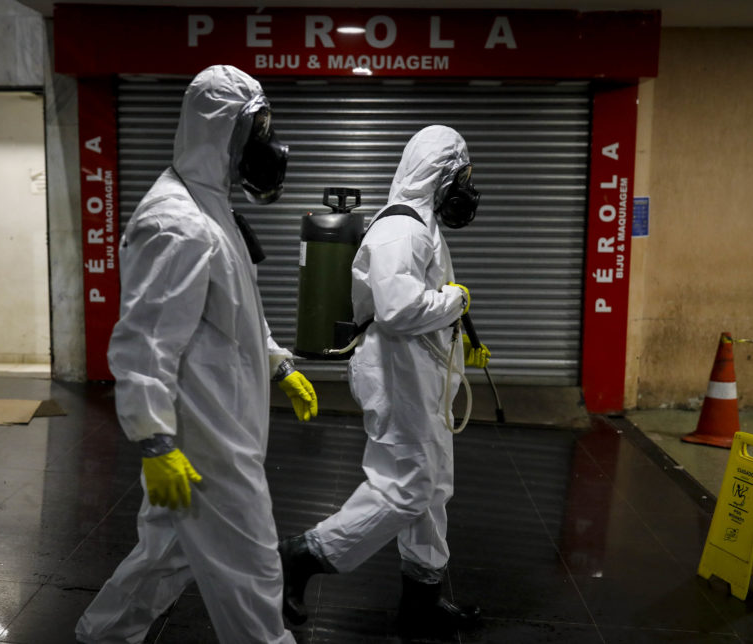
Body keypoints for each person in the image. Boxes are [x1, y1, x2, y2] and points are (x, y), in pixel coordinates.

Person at [75, 65, 318, 644]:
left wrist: (279, 362)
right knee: (254, 572)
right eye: (256, 129)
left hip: (219, 419)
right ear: (222, 130)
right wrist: (154, 441)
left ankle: (101, 637)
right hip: (206, 439)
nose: (267, 145)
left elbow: (232, 315)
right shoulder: (177, 223)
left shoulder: (210, 209)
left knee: (167, 554)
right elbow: (144, 343)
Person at [278, 125, 489, 639]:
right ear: (439, 175)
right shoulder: (402, 230)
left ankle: (422, 600)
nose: (467, 188)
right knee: (405, 487)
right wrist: (457, 302)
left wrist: (461, 328)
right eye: (461, 176)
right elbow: (398, 310)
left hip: (420, 374)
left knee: (432, 487)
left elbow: (423, 298)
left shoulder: (423, 223)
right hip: (399, 376)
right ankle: (302, 556)